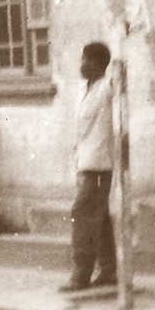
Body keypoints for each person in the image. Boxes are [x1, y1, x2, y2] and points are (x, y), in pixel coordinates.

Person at [62, 42, 117, 293]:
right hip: (84, 162)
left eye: (85, 60)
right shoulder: (83, 88)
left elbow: (119, 79)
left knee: (82, 214)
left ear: (96, 63)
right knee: (100, 217)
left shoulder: (107, 87)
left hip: (100, 165)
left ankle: (80, 275)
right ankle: (108, 270)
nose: (81, 65)